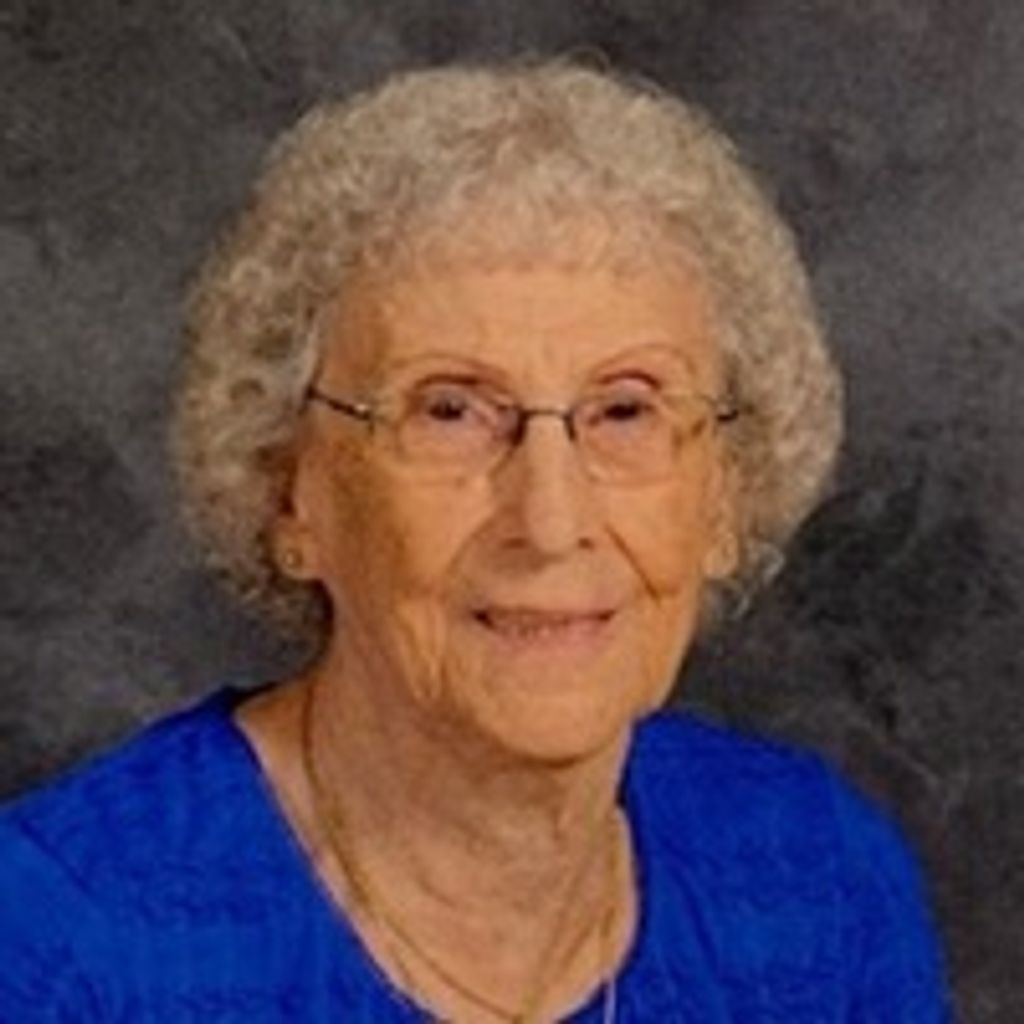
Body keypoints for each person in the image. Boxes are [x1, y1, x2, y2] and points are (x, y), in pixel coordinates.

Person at [0, 60, 949, 1022]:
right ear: (289, 489)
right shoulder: (56, 943)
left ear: (724, 497)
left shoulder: (819, 884)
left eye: (625, 410)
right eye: (450, 410)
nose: (551, 520)